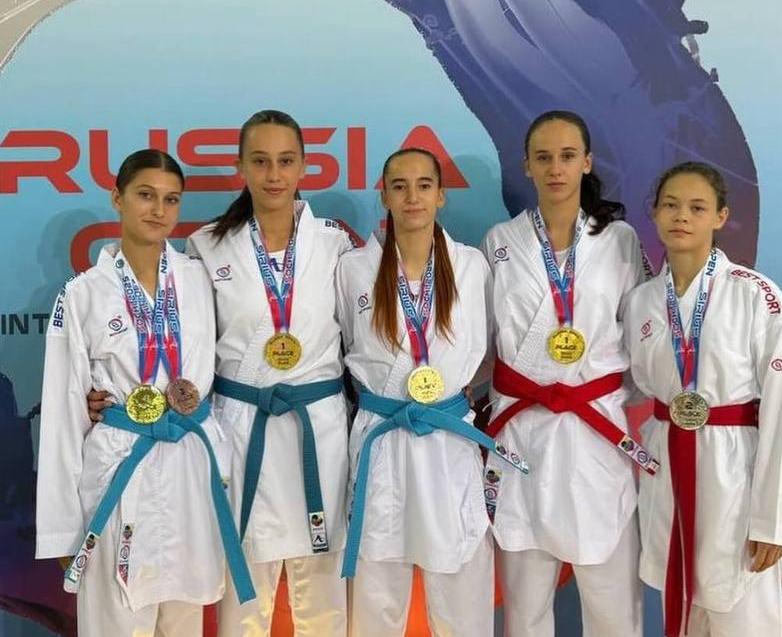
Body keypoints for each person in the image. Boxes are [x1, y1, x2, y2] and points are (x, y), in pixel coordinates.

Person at [36, 149, 253, 637]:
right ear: (118, 199)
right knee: (117, 619)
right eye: (146, 196)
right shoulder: (84, 293)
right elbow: (63, 414)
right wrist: (63, 530)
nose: (158, 210)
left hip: (189, 467)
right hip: (120, 469)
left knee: (184, 619)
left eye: (171, 199)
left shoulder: (199, 280)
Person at [336, 148, 527, 637]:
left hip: (448, 436)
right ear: (384, 195)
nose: (412, 196)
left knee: (460, 575)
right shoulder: (353, 268)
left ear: (441, 195)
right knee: (377, 581)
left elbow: (486, 351)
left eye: (424, 185)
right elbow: (347, 346)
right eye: (399, 186)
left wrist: (445, 396)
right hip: (383, 434)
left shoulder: (471, 266)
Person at [480, 110, 652, 636]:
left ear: (587, 163)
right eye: (544, 157)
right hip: (522, 433)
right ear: (526, 166)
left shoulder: (619, 240)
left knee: (614, 606)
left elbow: (640, 333)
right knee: (525, 607)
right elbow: (483, 342)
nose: (556, 168)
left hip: (596, 432)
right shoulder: (500, 241)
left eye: (567, 156)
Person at [187, 110, 351, 637]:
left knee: (323, 586)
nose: (274, 175)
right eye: (260, 161)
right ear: (241, 167)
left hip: (317, 425)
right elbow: (185, 344)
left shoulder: (335, 244)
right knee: (245, 587)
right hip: (241, 423)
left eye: (285, 161)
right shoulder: (206, 245)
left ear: (304, 166)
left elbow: (364, 338)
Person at [624, 161, 782, 637]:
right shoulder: (642, 302)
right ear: (655, 213)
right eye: (670, 205)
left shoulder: (757, 297)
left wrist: (773, 522)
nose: (682, 216)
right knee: (685, 613)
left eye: (697, 207)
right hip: (670, 468)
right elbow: (634, 385)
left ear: (721, 217)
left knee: (741, 612)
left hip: (736, 476)